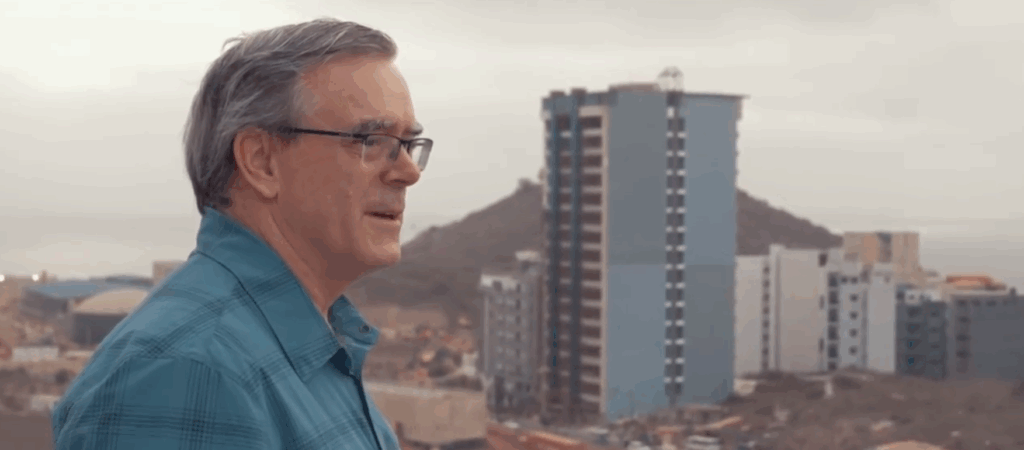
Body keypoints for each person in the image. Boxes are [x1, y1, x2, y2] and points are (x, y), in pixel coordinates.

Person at [51, 18, 432, 450]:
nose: (409, 172)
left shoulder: (307, 349)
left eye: (408, 143)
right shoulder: (187, 371)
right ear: (261, 162)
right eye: (371, 139)